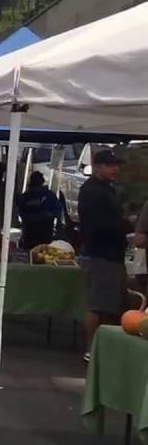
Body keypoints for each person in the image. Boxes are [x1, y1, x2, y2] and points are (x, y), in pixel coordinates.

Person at [77, 150, 131, 361]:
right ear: (97, 166)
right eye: (110, 165)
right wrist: (126, 225)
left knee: (110, 306)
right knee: (98, 306)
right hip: (100, 255)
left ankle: (104, 347)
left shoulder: (107, 190)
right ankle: (91, 349)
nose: (115, 169)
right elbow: (98, 225)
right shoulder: (92, 192)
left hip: (111, 255)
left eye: (117, 165)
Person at [17, 171, 63, 249]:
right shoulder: (27, 196)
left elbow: (58, 211)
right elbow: (58, 211)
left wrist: (47, 216)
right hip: (35, 233)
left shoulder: (48, 195)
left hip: (38, 233)